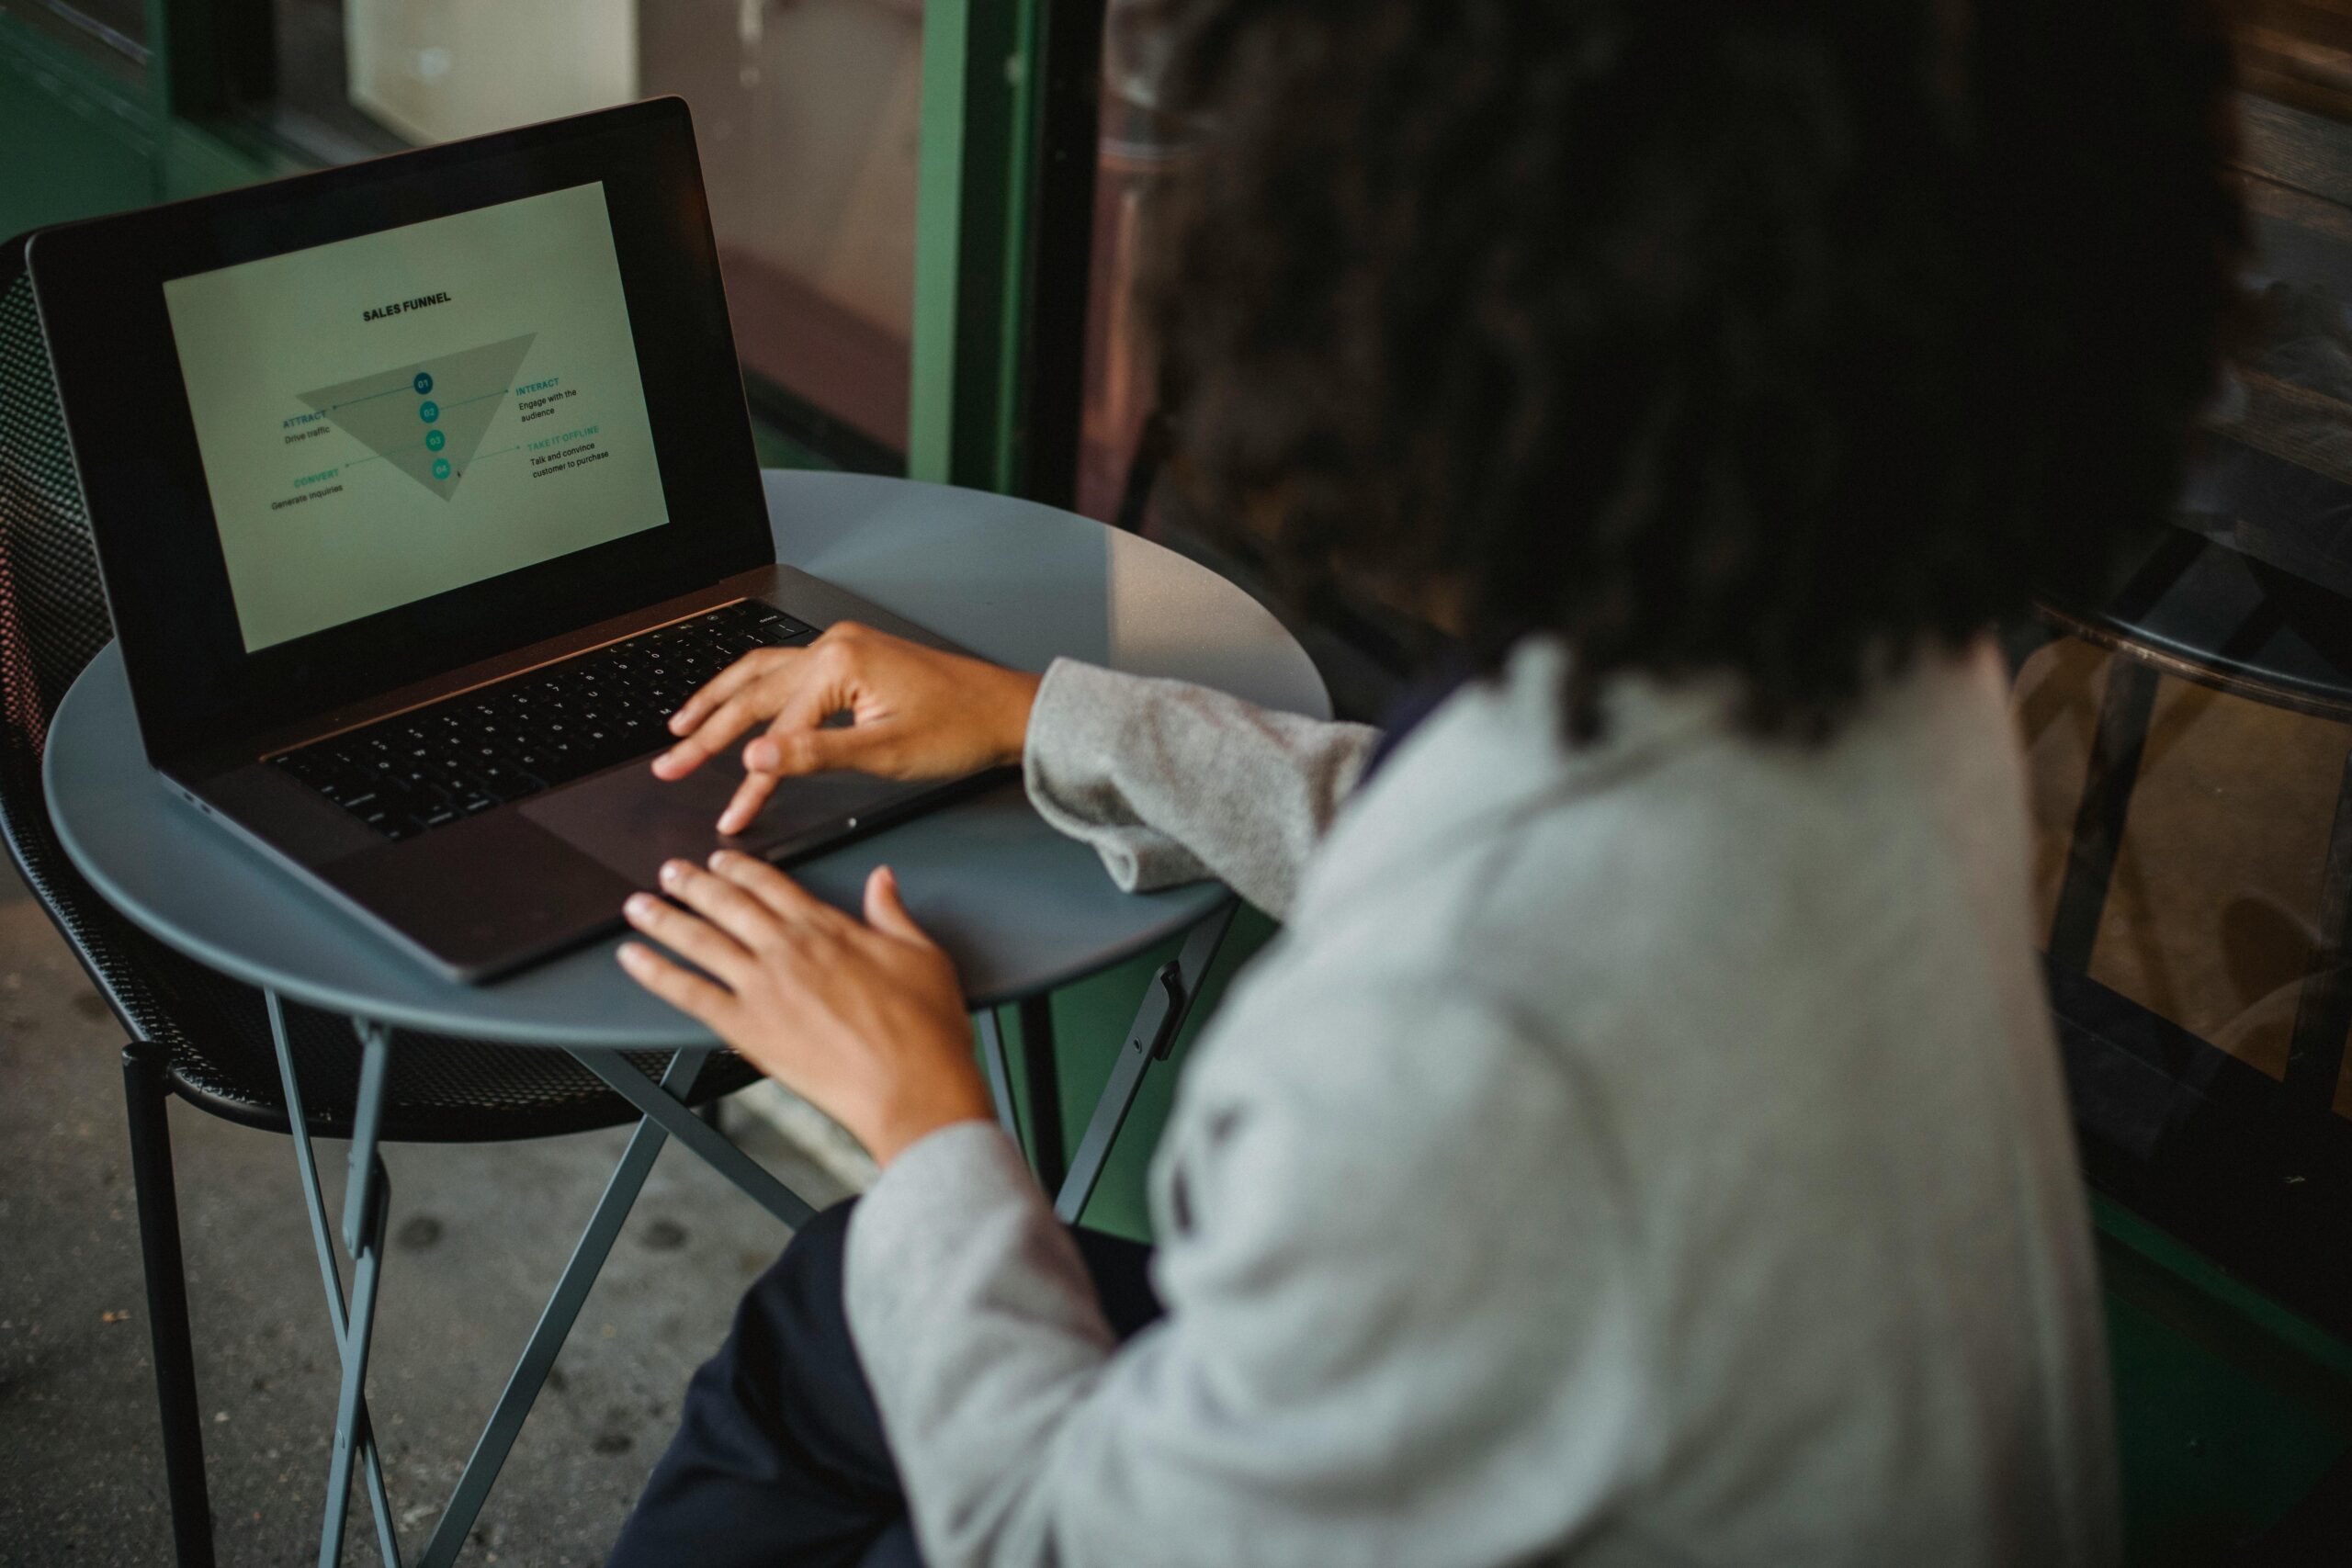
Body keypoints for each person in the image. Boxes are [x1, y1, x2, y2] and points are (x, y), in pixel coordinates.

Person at [607, 1, 2243, 1563]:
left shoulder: (1449, 1055)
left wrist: (925, 1115)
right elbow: (1497, 840)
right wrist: (1042, 718)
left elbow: (1058, 1539)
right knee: (837, 1310)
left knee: (849, 1334)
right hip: (1669, 1410)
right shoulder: (1869, 636)